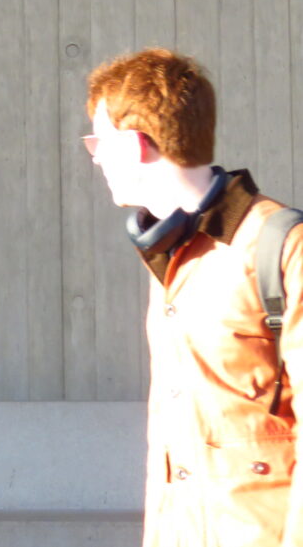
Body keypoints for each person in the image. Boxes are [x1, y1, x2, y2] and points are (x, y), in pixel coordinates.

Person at [85, 48, 303, 546]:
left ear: (134, 145)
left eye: (99, 142)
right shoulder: (172, 256)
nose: (95, 158)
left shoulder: (280, 245)